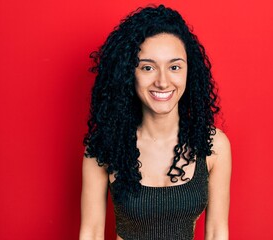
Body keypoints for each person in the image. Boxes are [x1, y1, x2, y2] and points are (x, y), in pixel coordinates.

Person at [79, 4, 231, 240]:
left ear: (189, 72)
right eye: (148, 67)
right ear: (130, 73)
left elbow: (216, 232)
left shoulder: (213, 145)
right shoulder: (104, 147)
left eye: (174, 67)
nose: (162, 81)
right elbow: (92, 232)